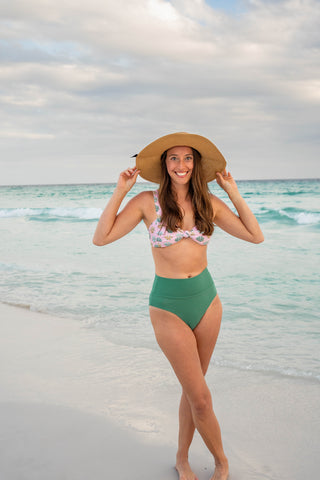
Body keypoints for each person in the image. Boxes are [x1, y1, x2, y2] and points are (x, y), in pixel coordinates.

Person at [93, 132, 264, 480]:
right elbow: (102, 238)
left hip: (207, 301)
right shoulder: (146, 202)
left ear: (195, 164)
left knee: (193, 389)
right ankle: (221, 462)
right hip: (168, 305)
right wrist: (120, 191)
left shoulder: (209, 205)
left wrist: (232, 191)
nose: (181, 165)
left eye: (187, 158)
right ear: (164, 164)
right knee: (200, 397)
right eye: (174, 158)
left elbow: (254, 235)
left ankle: (182, 458)